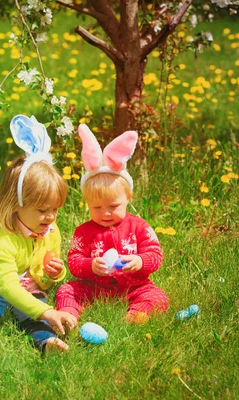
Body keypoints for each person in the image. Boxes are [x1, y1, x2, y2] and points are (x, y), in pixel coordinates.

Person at [0, 115, 77, 366]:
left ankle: (47, 343)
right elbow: (8, 286)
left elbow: (42, 273)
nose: (51, 216)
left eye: (55, 209)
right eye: (43, 210)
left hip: (27, 289)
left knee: (37, 318)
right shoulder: (1, 239)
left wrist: (55, 273)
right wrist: (46, 310)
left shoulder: (50, 229)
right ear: (16, 204)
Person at [56, 124, 168, 324]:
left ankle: (137, 314)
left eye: (113, 206)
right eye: (96, 207)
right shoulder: (84, 231)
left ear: (128, 197)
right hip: (95, 287)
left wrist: (140, 261)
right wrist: (90, 265)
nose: (105, 213)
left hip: (134, 286)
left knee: (157, 296)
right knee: (67, 289)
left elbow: (155, 254)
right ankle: (68, 315)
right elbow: (74, 260)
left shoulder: (139, 226)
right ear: (87, 203)